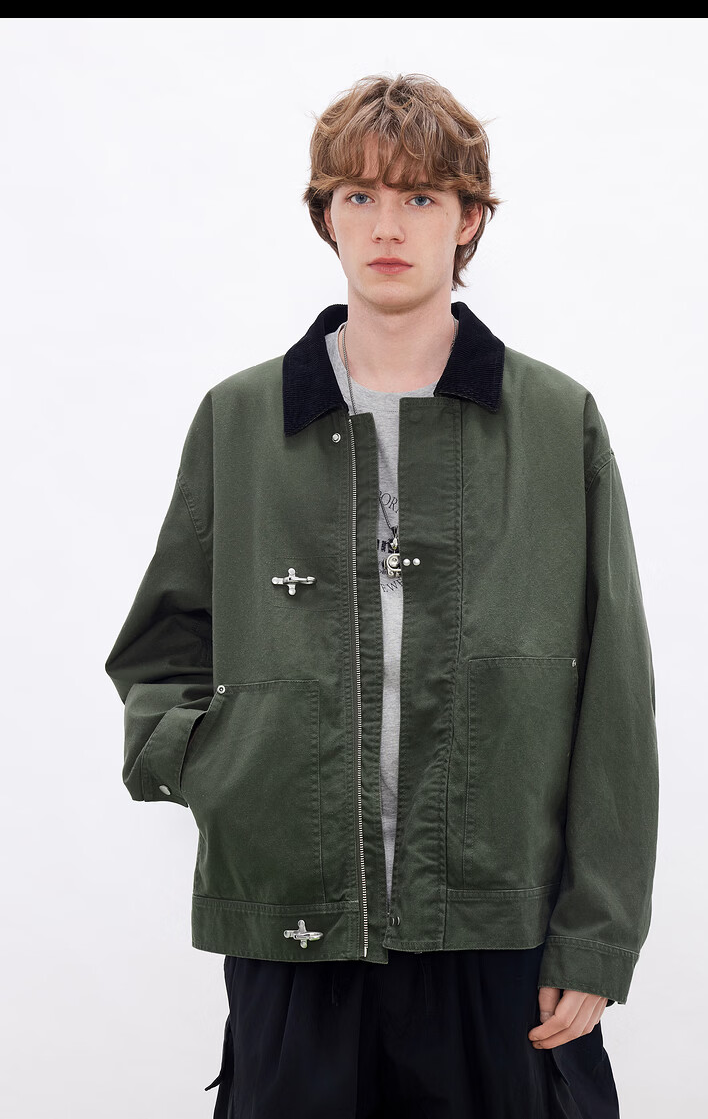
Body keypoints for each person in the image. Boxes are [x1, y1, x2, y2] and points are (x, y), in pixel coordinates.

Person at [105, 73, 659, 1118]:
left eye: (419, 197)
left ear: (469, 219)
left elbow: (616, 694)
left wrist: (596, 936)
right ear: (326, 215)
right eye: (358, 196)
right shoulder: (241, 418)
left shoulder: (556, 420)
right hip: (293, 920)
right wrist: (219, 764)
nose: (386, 226)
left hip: (499, 929)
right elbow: (160, 648)